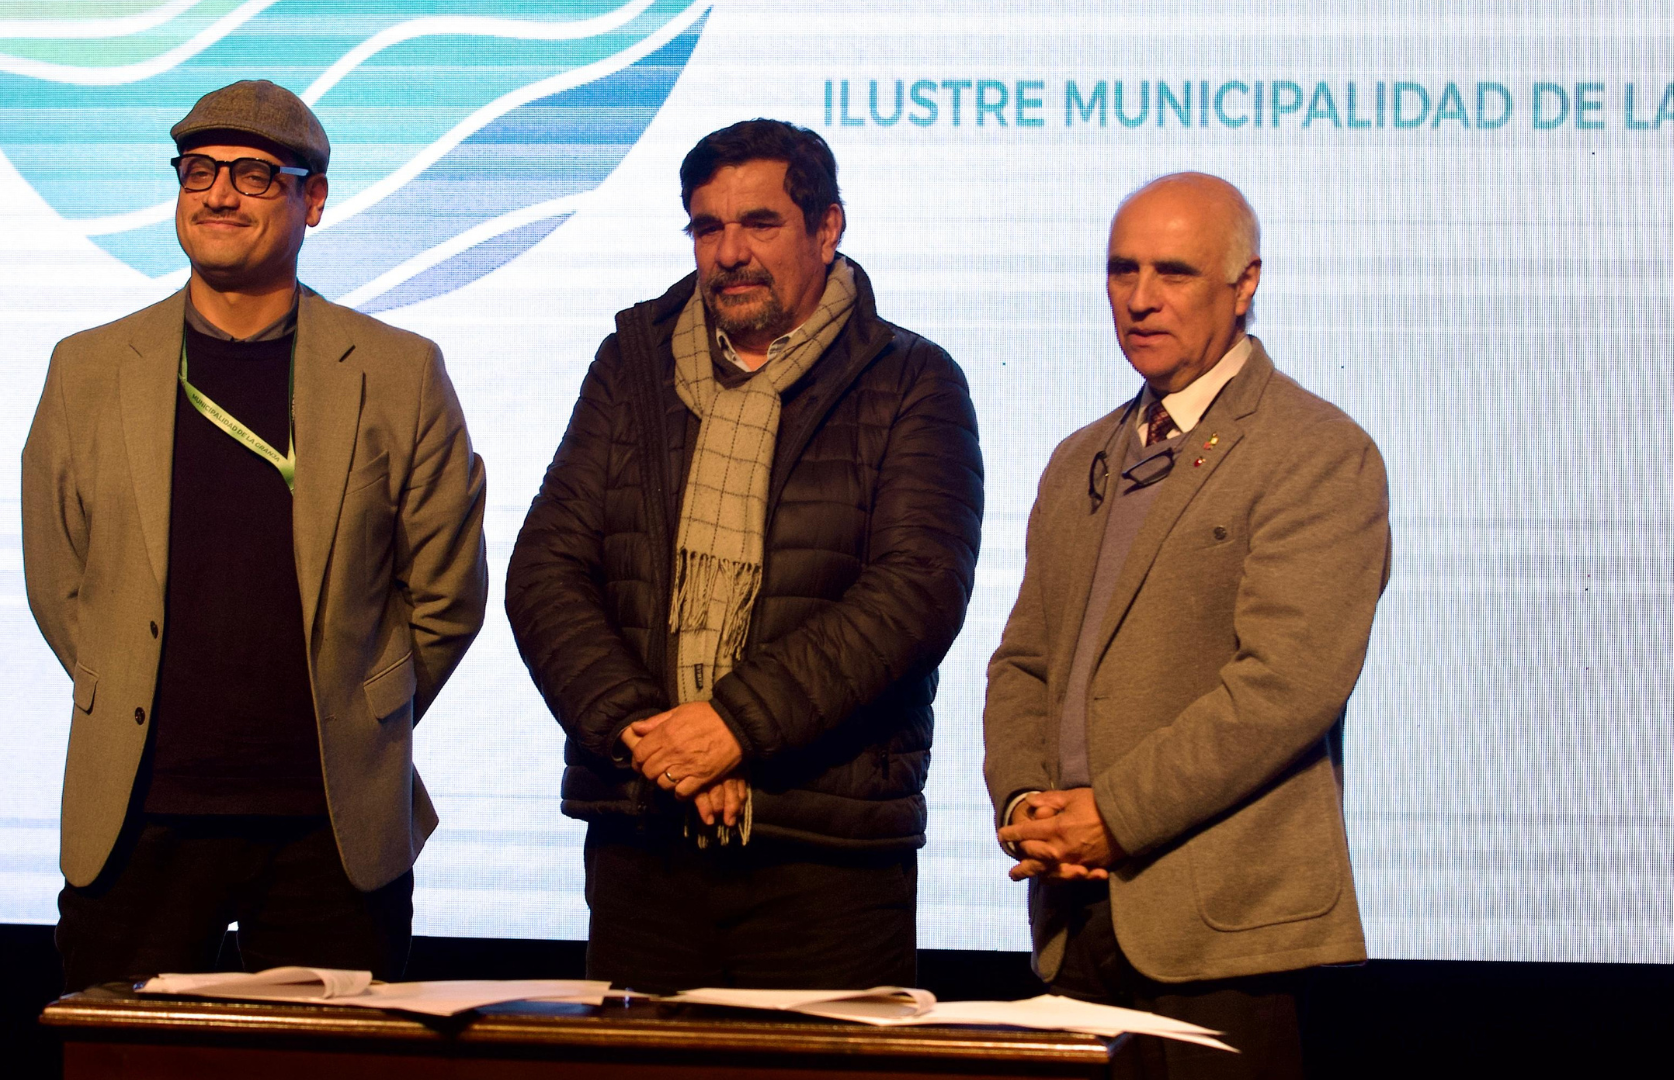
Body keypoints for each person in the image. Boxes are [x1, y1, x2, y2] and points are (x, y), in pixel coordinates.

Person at [22, 80, 486, 990]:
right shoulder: (87, 368)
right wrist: (125, 680)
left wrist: (360, 711)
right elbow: (60, 581)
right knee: (121, 1058)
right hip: (140, 818)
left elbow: (446, 595)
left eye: (254, 175)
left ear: (314, 200)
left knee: (328, 1061)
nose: (219, 195)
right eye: (198, 171)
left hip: (330, 829)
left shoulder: (399, 372)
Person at [506, 119, 983, 990]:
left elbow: (916, 595)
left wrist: (733, 726)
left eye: (760, 223)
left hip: (825, 852)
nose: (729, 253)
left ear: (827, 229)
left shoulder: (911, 379)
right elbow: (545, 572)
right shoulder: (631, 364)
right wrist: (649, 736)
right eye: (707, 227)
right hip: (644, 834)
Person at [982, 172, 1390, 1078]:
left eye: (1173, 272)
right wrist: (1025, 806)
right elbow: (1024, 663)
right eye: (1121, 270)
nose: (1140, 298)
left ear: (1245, 286)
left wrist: (1113, 816)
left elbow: (1287, 687)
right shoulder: (1080, 457)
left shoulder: (1317, 451)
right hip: (1074, 913)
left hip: (1223, 932)